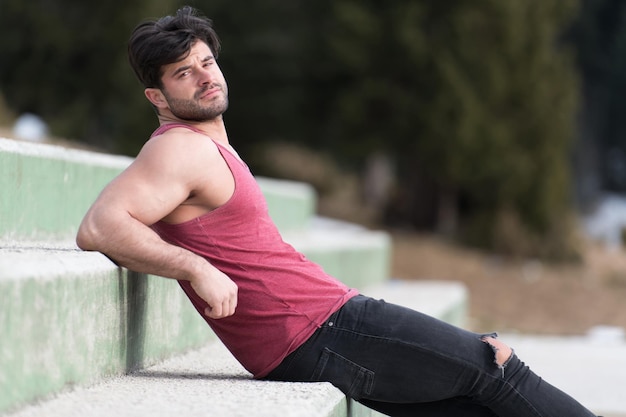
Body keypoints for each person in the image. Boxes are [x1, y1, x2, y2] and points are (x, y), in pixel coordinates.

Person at [76, 6, 600, 417]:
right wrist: (193, 266)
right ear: (158, 96)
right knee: (497, 365)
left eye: (206, 62)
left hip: (323, 321)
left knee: (480, 407)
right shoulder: (178, 148)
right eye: (183, 74)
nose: (204, 77)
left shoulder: (208, 144)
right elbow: (100, 225)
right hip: (318, 328)